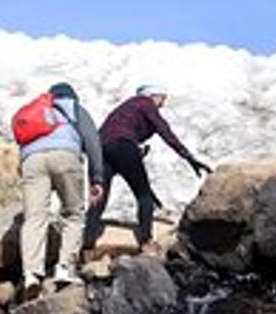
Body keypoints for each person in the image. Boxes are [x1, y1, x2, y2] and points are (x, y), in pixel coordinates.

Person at [84, 83, 209, 249]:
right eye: (162, 98)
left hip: (101, 150)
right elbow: (164, 130)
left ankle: (87, 244)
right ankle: (146, 241)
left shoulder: (125, 107)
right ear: (153, 95)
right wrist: (188, 156)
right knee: (144, 196)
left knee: (99, 199)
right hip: (123, 146)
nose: (162, 104)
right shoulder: (145, 103)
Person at [17, 81, 103, 296]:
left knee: (34, 218)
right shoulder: (75, 109)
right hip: (65, 156)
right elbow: (92, 142)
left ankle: (31, 274)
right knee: (73, 214)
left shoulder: (38, 112)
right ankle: (64, 268)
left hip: (32, 160)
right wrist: (97, 178)